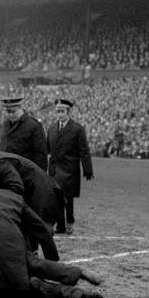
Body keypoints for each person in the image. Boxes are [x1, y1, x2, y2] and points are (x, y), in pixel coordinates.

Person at [47, 99, 93, 233]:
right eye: (57, 112)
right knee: (56, 197)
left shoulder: (77, 129)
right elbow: (46, 149)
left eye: (62, 112)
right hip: (54, 170)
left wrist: (87, 169)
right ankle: (60, 225)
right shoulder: (51, 128)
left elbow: (84, 150)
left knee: (67, 198)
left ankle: (70, 221)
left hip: (69, 170)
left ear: (68, 112)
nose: (59, 114)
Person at [0, 97, 48, 171]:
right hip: (9, 172)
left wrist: (39, 176)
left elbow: (40, 156)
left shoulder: (34, 126)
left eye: (13, 112)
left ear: (20, 108)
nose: (11, 115)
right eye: (8, 112)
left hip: (26, 173)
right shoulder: (5, 125)